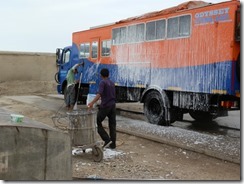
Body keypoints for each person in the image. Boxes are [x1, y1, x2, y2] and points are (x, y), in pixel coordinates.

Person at [88, 68, 116, 149]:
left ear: (101, 75)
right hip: (113, 106)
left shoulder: (102, 82)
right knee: (112, 125)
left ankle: (107, 139)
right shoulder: (111, 83)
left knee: (97, 122)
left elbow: (99, 94)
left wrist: (92, 103)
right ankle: (113, 144)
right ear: (108, 75)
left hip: (105, 106)